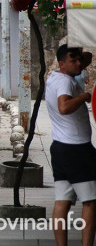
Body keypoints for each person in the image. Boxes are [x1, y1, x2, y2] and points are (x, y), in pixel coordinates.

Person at [45, 44, 95, 246]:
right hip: (77, 149)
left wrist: (77, 51)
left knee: (62, 201)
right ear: (61, 64)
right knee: (91, 201)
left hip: (60, 148)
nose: (78, 63)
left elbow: (89, 57)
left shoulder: (55, 78)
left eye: (78, 60)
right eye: (72, 60)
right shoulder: (66, 82)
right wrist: (84, 96)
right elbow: (64, 107)